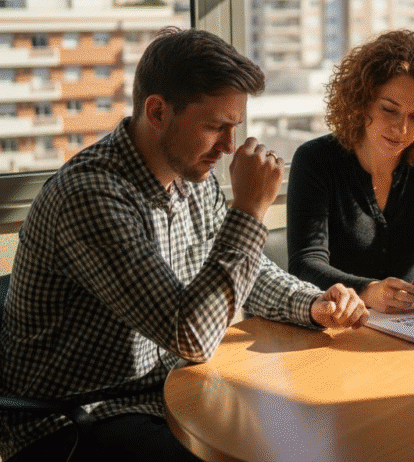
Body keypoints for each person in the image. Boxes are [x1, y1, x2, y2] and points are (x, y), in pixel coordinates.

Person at [0, 27, 369, 462]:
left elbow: (243, 275)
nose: (229, 147)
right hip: (75, 418)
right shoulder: (92, 197)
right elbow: (191, 335)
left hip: (167, 393)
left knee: (312, 429)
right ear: (157, 112)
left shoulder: (193, 178)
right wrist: (249, 211)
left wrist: (313, 304)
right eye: (215, 126)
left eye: (234, 127)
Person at [287, 29, 414, 313]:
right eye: (389, 110)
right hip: (334, 324)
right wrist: (367, 291)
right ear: (363, 102)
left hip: (408, 322)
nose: (401, 130)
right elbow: (305, 264)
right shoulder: (315, 160)